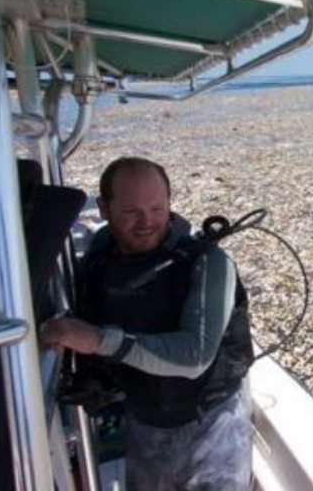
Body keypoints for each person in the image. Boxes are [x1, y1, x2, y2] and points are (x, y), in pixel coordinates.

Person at [41, 157, 255, 491]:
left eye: (157, 209)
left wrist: (98, 340)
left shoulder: (208, 262)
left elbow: (194, 357)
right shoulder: (101, 255)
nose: (146, 222)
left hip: (213, 426)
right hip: (145, 423)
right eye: (130, 212)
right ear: (104, 208)